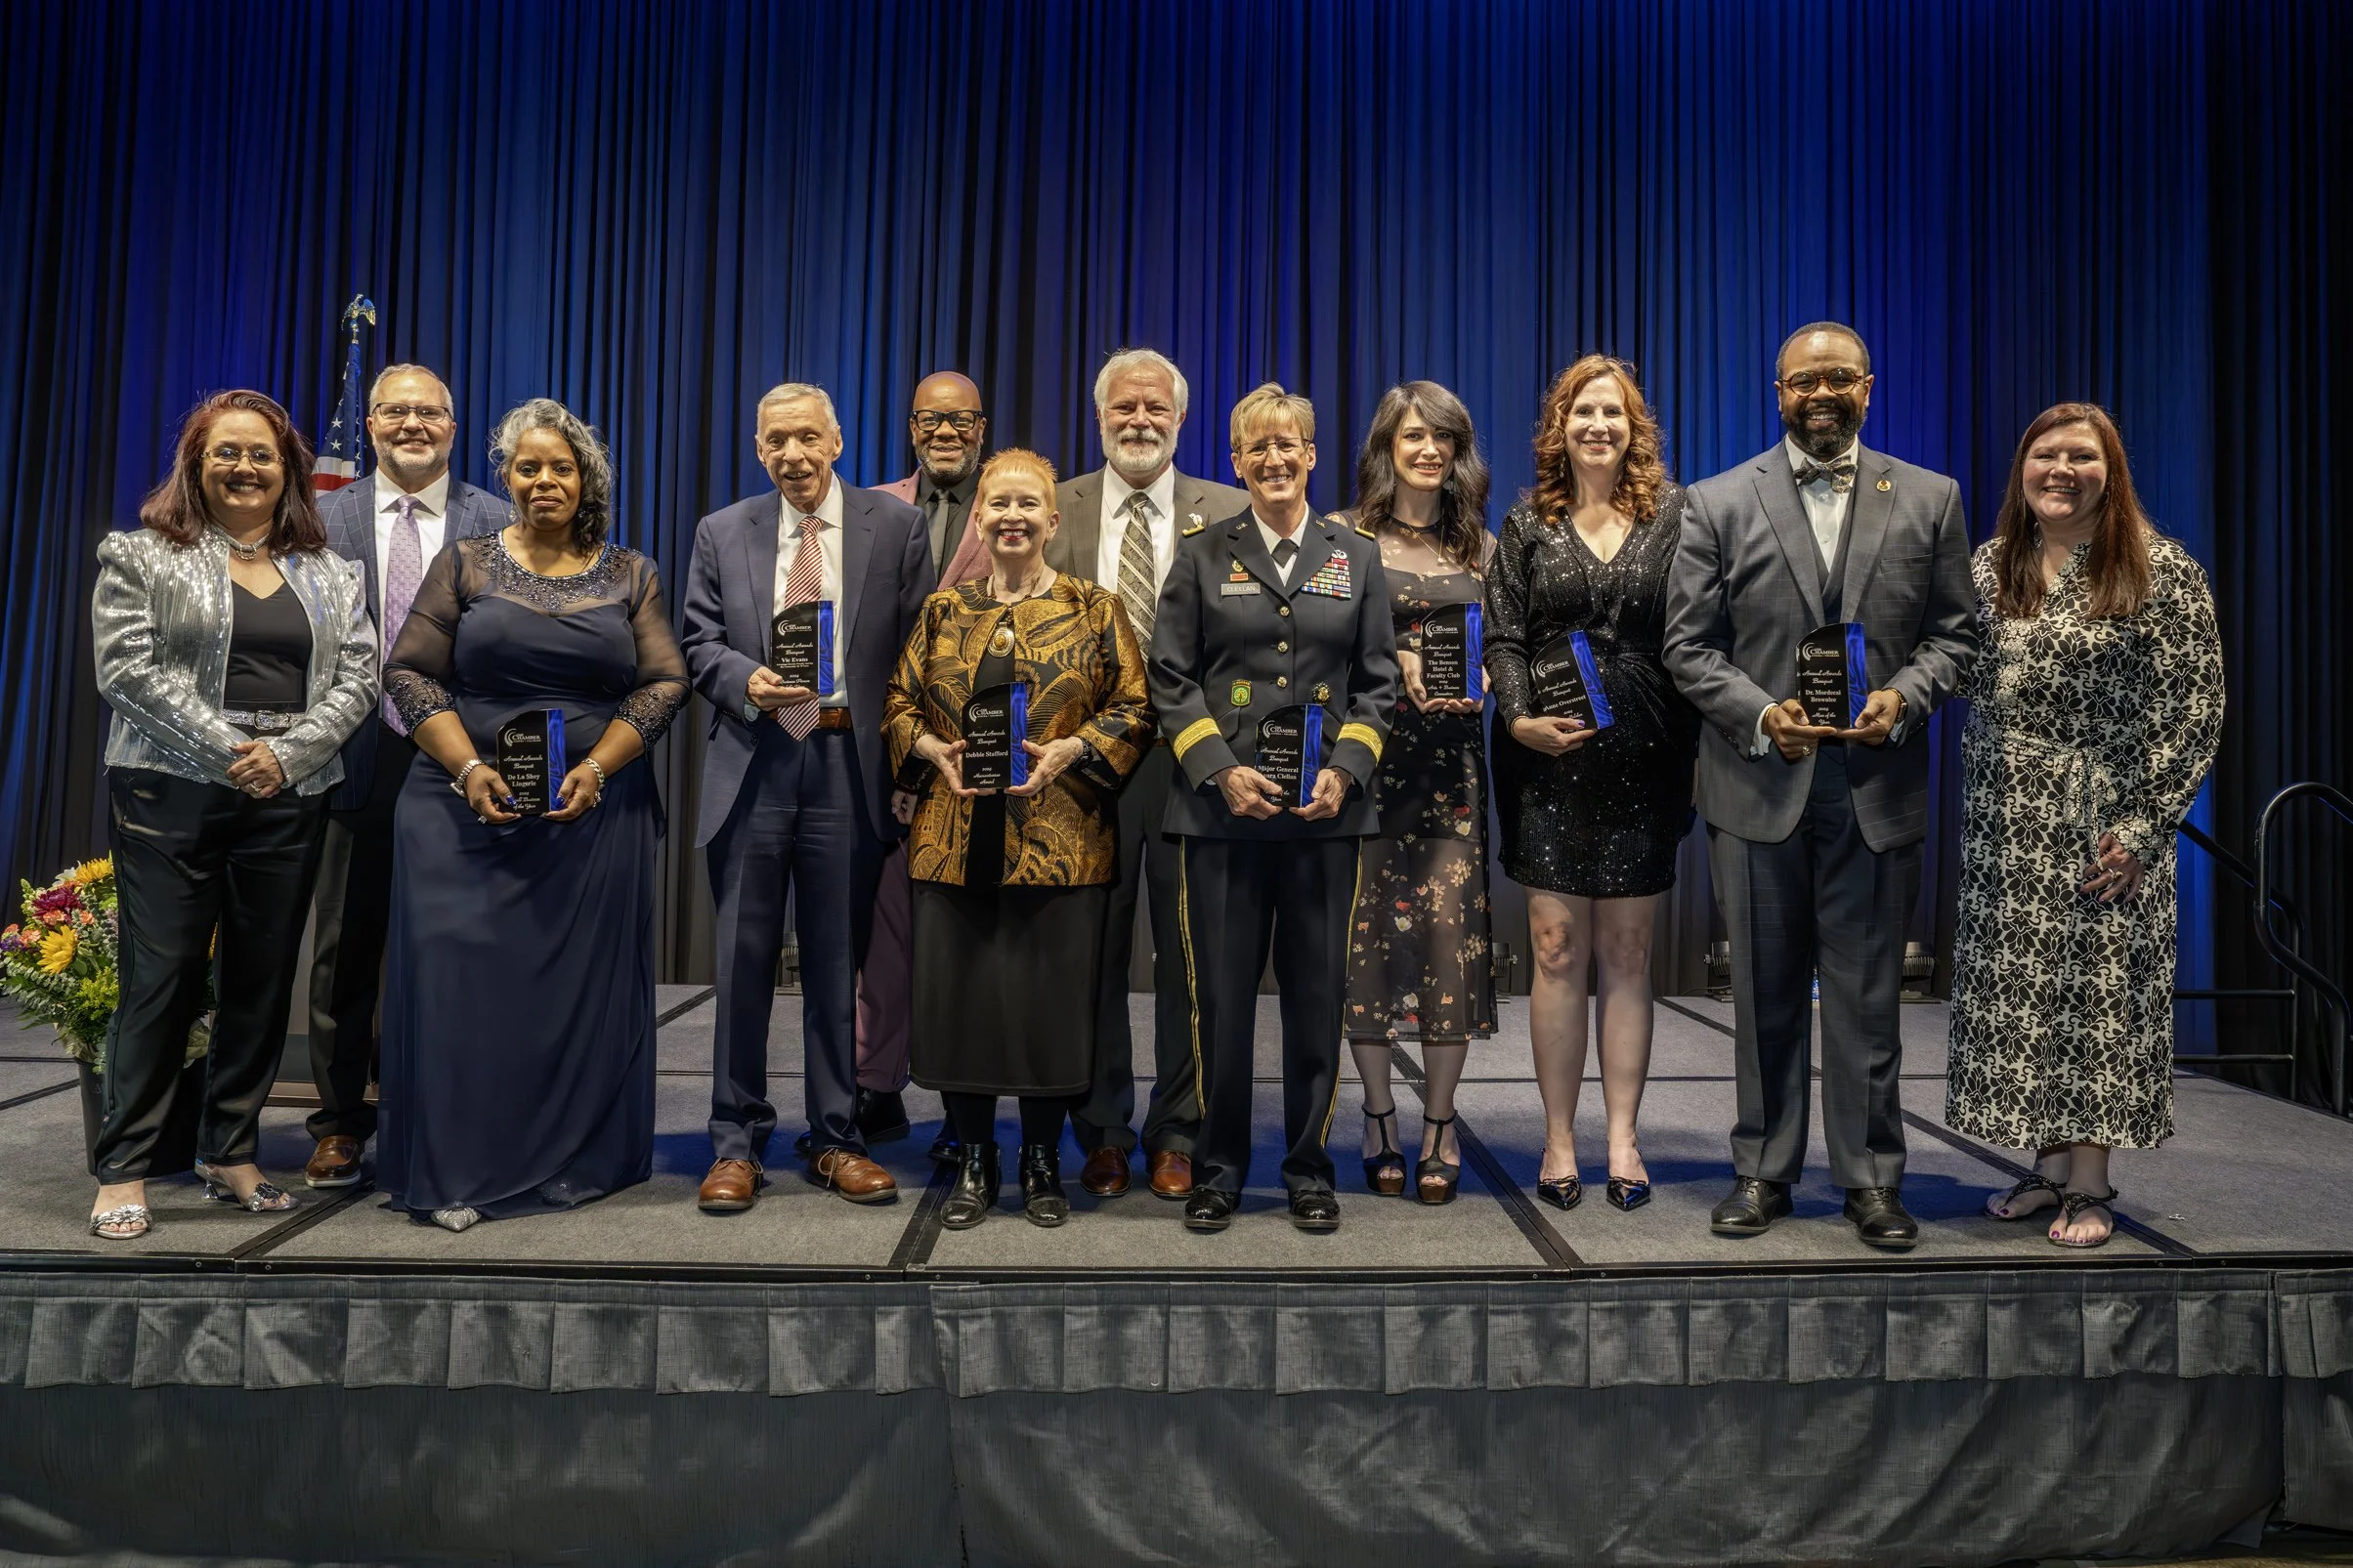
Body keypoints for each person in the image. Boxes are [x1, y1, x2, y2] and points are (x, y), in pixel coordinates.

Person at [1664, 322, 1978, 1250]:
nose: (1823, 393)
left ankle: (1873, 1181)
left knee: (1869, 998)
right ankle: (1763, 1170)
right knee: (1761, 995)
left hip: (1876, 788)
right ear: (1779, 393)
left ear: (1869, 388)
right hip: (1760, 781)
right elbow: (1686, 645)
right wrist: (1763, 714)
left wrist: (1904, 698)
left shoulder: (1931, 498)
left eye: (1840, 377)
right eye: (1806, 381)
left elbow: (1956, 637)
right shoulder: (1716, 501)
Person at [376, 399, 687, 1232]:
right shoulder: (464, 562)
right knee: (458, 988)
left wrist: (595, 767)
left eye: (561, 466)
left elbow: (663, 682)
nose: (544, 480)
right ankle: (455, 1166)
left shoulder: (632, 573)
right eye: (527, 466)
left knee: (571, 994)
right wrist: (469, 765)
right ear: (506, 477)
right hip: (458, 809)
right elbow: (408, 674)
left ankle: (574, 1156)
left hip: (592, 814)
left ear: (586, 479)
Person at [86, 390, 376, 1240]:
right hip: (168, 793)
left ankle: (230, 1150)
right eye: (227, 453)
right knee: (163, 977)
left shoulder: (331, 571)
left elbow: (358, 675)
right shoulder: (139, 556)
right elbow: (127, 672)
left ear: (288, 468)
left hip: (290, 792)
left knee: (259, 979)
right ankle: (124, 1165)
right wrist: (231, 750)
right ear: (196, 464)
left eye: (262, 454)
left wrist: (286, 755)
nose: (245, 467)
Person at [1945, 403, 2222, 1248]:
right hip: (2005, 820)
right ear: (2021, 471)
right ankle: (2048, 1166)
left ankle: (2093, 1181)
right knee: (2028, 1000)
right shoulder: (1994, 564)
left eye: (2081, 457)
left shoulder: (2160, 570)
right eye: (2044, 455)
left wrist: (2143, 828)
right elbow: (1953, 670)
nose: (2060, 470)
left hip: (2106, 821)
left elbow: (2196, 708)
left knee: (2097, 996)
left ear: (2113, 471)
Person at [1150, 382, 1398, 1234]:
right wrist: (1220, 770)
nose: (1274, 459)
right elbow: (1171, 681)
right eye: (1257, 447)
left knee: (1315, 998)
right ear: (1236, 462)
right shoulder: (1201, 550)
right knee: (1216, 1001)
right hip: (1221, 819)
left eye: (1288, 444)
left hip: (1327, 818)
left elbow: (1377, 685)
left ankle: (1307, 1166)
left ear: (1312, 455)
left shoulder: (1355, 554)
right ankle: (1218, 1167)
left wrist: (1350, 769)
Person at [885, 449, 1155, 1227]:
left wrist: (1075, 748)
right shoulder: (943, 611)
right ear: (980, 519)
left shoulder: (1096, 607)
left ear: (1051, 519)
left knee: (1049, 1012)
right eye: (997, 504)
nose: (1011, 517)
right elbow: (898, 702)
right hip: (951, 838)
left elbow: (1135, 708)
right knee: (960, 1006)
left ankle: (1041, 1161)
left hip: (1061, 844)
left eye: (1026, 505)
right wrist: (929, 749)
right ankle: (975, 1159)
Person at [680, 382, 932, 1211]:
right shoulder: (723, 530)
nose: (792, 454)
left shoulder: (894, 527)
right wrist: (741, 679)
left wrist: (908, 768)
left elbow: (918, 654)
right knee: (742, 967)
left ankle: (834, 1135)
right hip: (754, 761)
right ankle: (734, 1140)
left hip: (845, 765)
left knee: (835, 966)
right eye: (776, 441)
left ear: (837, 442)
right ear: (759, 451)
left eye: (807, 438)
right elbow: (696, 641)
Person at [1487, 359, 1698, 1212]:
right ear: (1561, 425)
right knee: (1554, 952)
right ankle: (1560, 1137)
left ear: (1633, 425)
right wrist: (1516, 718)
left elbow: (1698, 630)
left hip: (1647, 757)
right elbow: (1502, 639)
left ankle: (1622, 1137)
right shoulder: (1527, 522)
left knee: (1627, 955)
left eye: (1613, 411)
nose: (1598, 425)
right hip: (1551, 759)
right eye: (1583, 411)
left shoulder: (1678, 518)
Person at [1044, 348, 1250, 1201]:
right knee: (1089, 951)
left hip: (1192, 763)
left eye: (1154, 409)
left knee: (1189, 955)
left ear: (1178, 419)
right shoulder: (1051, 508)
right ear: (1099, 419)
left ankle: (1179, 1128)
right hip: (1083, 765)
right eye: (1123, 408)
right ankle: (1100, 1127)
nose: (1138, 420)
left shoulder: (1231, 511)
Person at [305, 363, 503, 1189]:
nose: (412, 424)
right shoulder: (319, 517)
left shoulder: (498, 519)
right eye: (395, 411)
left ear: (454, 428)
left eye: (429, 413)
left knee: (462, 945)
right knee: (347, 947)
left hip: (463, 760)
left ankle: (448, 1111)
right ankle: (342, 1120)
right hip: (354, 755)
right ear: (373, 424)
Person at [1338, 382, 1497, 1206]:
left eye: (1442, 438)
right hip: (1365, 772)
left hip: (1450, 780)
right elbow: (1322, 654)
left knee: (1446, 945)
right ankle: (1375, 1116)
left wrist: (1487, 682)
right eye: (1412, 437)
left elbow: (1504, 653)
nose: (1427, 450)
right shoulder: (1346, 538)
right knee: (1365, 947)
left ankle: (1438, 1123)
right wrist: (1392, 661)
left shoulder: (1484, 550)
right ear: (1386, 448)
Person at [852, 370, 995, 1165]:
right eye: (930, 420)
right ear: (911, 427)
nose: (946, 432)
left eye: (961, 420)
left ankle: (960, 1097)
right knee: (885, 931)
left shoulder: (1011, 501)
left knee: (964, 938)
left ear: (982, 427)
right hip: (886, 751)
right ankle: (876, 1084)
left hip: (984, 758)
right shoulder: (868, 505)